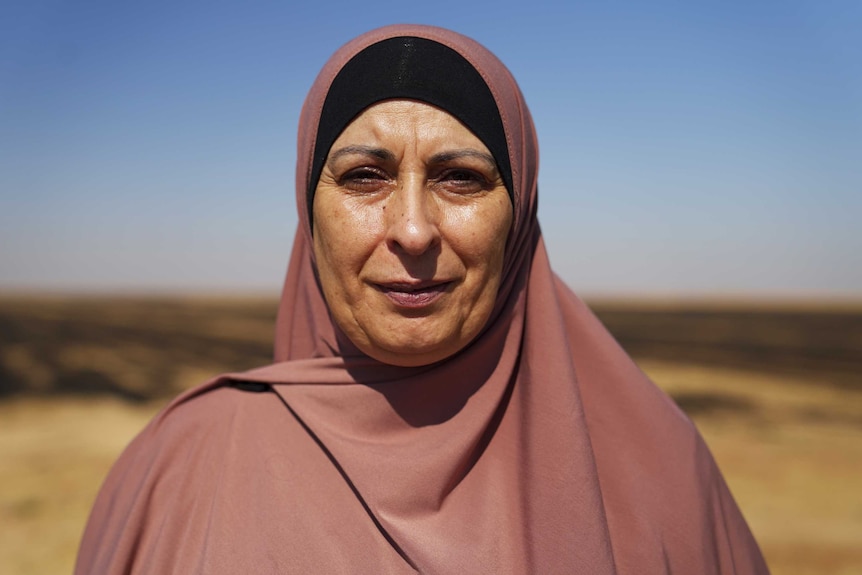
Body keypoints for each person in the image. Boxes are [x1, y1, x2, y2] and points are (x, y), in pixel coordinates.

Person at [75, 24, 769, 574]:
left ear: (519, 211)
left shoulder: (661, 474)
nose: (412, 228)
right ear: (307, 210)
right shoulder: (181, 464)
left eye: (461, 178)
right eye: (365, 176)